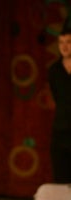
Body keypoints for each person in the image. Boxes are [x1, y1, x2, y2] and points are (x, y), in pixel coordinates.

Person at [49, 28, 71, 184]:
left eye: (69, 42)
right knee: (61, 176)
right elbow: (58, 97)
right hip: (61, 129)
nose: (64, 46)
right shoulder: (54, 70)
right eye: (61, 42)